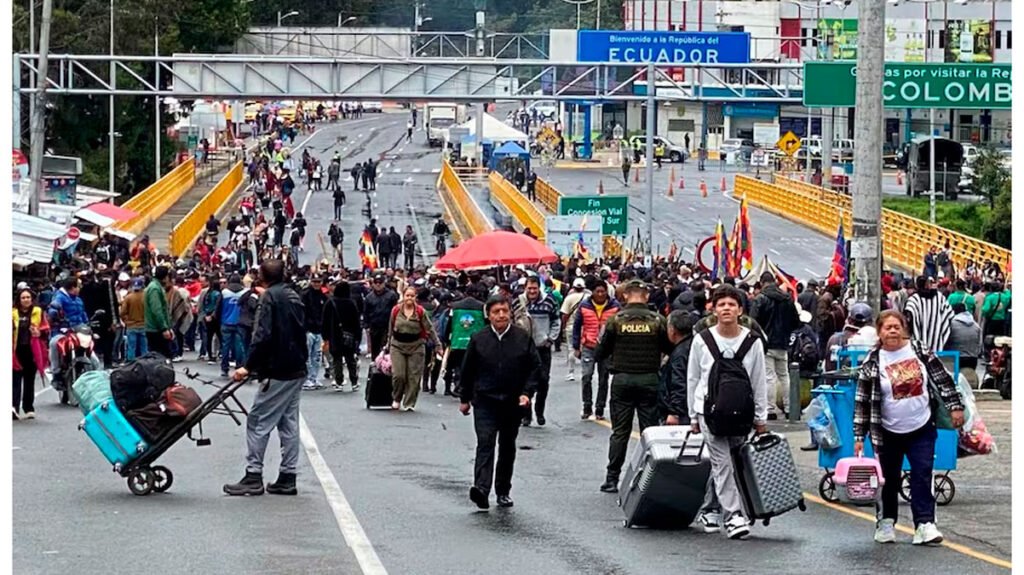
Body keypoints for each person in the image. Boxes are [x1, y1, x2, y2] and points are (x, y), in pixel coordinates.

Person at [853, 310, 964, 546]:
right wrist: (858, 435)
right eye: (887, 327)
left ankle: (925, 524)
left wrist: (955, 406)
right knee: (888, 478)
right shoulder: (872, 361)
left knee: (922, 473)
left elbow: (943, 379)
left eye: (896, 326)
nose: (892, 331)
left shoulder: (919, 351)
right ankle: (886, 521)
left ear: (904, 328)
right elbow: (862, 400)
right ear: (879, 332)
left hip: (921, 426)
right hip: (886, 431)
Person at [688, 284, 768, 540]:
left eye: (731, 304)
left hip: (741, 413)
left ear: (740, 310)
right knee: (722, 463)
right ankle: (733, 516)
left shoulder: (752, 342)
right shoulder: (702, 340)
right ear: (713, 309)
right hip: (709, 412)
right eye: (721, 304)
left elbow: (759, 380)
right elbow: (693, 378)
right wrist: (693, 414)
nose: (726, 308)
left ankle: (711, 508)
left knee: (730, 462)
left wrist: (760, 417)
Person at [224, 260, 309, 497]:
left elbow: (262, 336)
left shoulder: (269, 298)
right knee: (288, 423)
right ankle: (287, 476)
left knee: (258, 420)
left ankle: (253, 475)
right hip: (296, 367)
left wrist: (248, 366)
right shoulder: (293, 295)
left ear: (261, 276)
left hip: (278, 369)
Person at [459, 295, 541, 510]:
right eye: (496, 312)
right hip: (485, 401)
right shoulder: (479, 339)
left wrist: (526, 393)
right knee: (485, 444)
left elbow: (535, 368)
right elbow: (467, 371)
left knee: (506, 447)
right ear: (488, 315)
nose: (501, 315)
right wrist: (465, 398)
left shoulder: (522, 338)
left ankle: (503, 490)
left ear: (510, 313)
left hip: (512, 402)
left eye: (504, 311)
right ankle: (482, 489)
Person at [596, 279, 670, 493]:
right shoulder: (658, 321)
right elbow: (669, 348)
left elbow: (600, 352)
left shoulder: (615, 321)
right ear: (646, 297)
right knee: (650, 433)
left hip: (622, 380)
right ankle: (650, 477)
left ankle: (611, 479)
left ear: (626, 295)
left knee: (620, 432)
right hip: (649, 380)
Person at [512, 276, 561, 426]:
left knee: (543, 380)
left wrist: (550, 339)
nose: (532, 291)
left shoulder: (550, 301)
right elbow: (511, 321)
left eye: (534, 288)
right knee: (524, 382)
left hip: (542, 348)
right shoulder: (518, 302)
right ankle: (526, 413)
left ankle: (540, 411)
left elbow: (556, 321)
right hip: (523, 348)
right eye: (529, 288)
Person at [750, 271, 800, 419]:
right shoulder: (787, 299)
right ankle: (790, 407)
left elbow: (753, 321)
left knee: (769, 377)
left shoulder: (761, 299)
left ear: (762, 282)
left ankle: (770, 409)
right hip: (783, 343)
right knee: (784, 376)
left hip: (766, 344)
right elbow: (795, 322)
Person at [387, 286, 442, 411]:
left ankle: (409, 403)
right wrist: (388, 344)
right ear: (404, 296)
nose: (409, 298)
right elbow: (390, 328)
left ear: (415, 297)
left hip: (416, 346)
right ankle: (396, 398)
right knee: (399, 375)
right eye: (407, 295)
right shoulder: (396, 310)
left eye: (412, 296)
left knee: (414, 376)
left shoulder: (420, 312)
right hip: (397, 345)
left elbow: (430, 329)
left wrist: (438, 345)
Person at [572, 282, 620, 421]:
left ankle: (600, 408)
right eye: (597, 291)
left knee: (603, 378)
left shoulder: (615, 306)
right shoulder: (584, 306)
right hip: (588, 346)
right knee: (586, 376)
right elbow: (577, 326)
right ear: (592, 292)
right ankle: (587, 406)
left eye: (603, 292)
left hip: (606, 348)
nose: (600, 294)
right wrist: (576, 346)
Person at [443, 284, 487, 396]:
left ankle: (449, 388)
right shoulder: (482, 307)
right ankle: (465, 386)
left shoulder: (455, 306)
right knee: (472, 366)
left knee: (452, 365)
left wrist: (446, 338)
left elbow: (449, 324)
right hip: (476, 342)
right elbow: (487, 324)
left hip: (457, 340)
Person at [46, 276, 89, 387]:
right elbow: (52, 308)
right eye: (78, 286)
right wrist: (53, 313)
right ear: (72, 287)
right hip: (62, 331)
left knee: (92, 352)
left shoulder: (79, 300)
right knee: (54, 343)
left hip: (79, 331)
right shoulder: (59, 298)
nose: (80, 288)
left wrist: (88, 323)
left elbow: (83, 315)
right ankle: (56, 374)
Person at [13, 289, 49, 420]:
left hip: (32, 351)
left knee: (29, 380)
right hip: (15, 352)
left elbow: (46, 329)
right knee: (14, 381)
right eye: (23, 298)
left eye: (28, 297)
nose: (26, 300)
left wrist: (39, 332)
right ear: (19, 300)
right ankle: (13, 407)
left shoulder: (38, 312)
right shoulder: (12, 313)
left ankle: (28, 408)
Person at [322, 281, 362, 391]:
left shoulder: (330, 303)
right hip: (349, 335)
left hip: (334, 335)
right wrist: (357, 336)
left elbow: (325, 320)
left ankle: (339, 381)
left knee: (337, 359)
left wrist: (325, 336)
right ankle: (354, 382)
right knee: (350, 359)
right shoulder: (351, 303)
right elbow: (356, 321)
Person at [660, 309, 694, 425]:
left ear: (672, 330)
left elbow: (679, 383)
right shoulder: (693, 345)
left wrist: (675, 412)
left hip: (682, 413)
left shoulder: (679, 354)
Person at [904, 276, 954, 353]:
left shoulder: (913, 300)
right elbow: (950, 315)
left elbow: (908, 321)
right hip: (936, 342)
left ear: (917, 285)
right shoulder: (940, 298)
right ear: (929, 284)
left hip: (917, 345)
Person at [363, 274, 399, 361]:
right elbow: (366, 312)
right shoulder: (369, 297)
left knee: (386, 348)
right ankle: (375, 366)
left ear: (384, 283)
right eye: (376, 282)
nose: (378, 285)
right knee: (375, 348)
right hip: (374, 327)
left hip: (387, 327)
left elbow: (396, 311)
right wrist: (366, 325)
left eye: (380, 282)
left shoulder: (391, 295)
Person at [302, 275, 328, 391]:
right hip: (308, 330)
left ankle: (314, 377)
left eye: (318, 282)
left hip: (319, 330)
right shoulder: (305, 296)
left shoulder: (323, 297)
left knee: (317, 356)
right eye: (314, 282)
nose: (316, 284)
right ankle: (307, 378)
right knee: (307, 355)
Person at [559, 278, 588, 383]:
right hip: (585, 327)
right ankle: (585, 371)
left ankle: (571, 372)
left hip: (571, 326)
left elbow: (565, 314)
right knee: (585, 349)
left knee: (571, 348)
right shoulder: (588, 298)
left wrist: (563, 326)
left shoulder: (569, 298)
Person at [219, 274, 247, 378]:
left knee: (225, 346)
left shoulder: (224, 293)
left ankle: (224, 368)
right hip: (240, 323)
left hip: (226, 322)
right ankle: (240, 366)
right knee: (239, 346)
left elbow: (219, 308)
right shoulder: (244, 293)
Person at [144, 267, 175, 358]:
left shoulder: (156, 287)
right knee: (161, 357)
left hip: (157, 328)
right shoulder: (154, 288)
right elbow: (157, 310)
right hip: (155, 329)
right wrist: (164, 328)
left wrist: (168, 328)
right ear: (165, 277)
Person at [946, 303, 982, 372]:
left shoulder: (951, 324)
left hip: (955, 358)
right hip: (972, 360)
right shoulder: (976, 326)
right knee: (968, 381)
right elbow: (980, 346)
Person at [119, 278, 148, 361]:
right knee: (144, 348)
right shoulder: (146, 297)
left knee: (131, 348)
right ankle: (145, 364)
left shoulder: (128, 298)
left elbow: (122, 313)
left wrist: (126, 320)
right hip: (143, 325)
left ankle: (131, 365)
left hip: (131, 326)